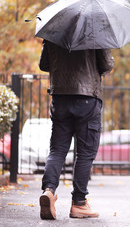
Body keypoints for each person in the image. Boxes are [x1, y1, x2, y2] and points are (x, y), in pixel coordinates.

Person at [38, 40, 114, 220]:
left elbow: (44, 65)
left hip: (60, 98)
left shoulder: (55, 32)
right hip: (87, 99)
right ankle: (79, 203)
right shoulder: (95, 33)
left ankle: (49, 191)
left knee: (57, 150)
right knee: (85, 153)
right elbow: (106, 64)